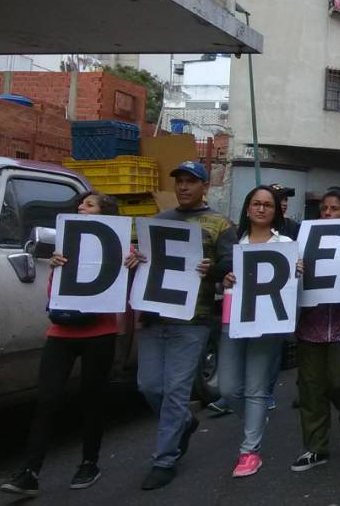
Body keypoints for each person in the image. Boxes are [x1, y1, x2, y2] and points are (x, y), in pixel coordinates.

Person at [0, 193, 139, 497]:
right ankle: (29, 473)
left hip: (99, 334)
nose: (81, 208)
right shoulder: (65, 247)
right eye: (80, 204)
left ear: (105, 214)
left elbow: (129, 292)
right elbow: (55, 295)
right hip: (61, 333)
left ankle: (90, 462)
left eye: (89, 205)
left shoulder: (122, 249)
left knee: (91, 401)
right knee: (46, 401)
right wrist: (55, 267)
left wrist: (134, 263)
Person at [137, 161, 236, 490]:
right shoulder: (159, 221)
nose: (183, 187)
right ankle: (184, 423)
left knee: (176, 392)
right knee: (150, 387)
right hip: (155, 315)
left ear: (204, 186)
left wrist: (215, 268)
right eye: (179, 181)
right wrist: (134, 258)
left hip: (194, 319)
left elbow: (231, 264)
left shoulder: (221, 224)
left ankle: (165, 459)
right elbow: (147, 262)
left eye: (190, 181)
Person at [216, 186, 301, 477]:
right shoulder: (232, 240)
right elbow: (219, 275)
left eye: (268, 205)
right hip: (233, 319)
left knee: (255, 387)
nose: (262, 209)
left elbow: (294, 288)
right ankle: (257, 416)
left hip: (268, 324)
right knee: (227, 388)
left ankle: (249, 451)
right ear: (248, 207)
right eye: (256, 203)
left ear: (276, 211)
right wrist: (223, 278)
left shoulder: (286, 243)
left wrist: (297, 272)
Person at [291, 189, 340, 472]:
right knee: (310, 388)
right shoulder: (304, 241)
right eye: (324, 209)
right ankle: (315, 447)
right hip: (310, 324)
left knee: (338, 381)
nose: (328, 214)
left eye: (335, 209)